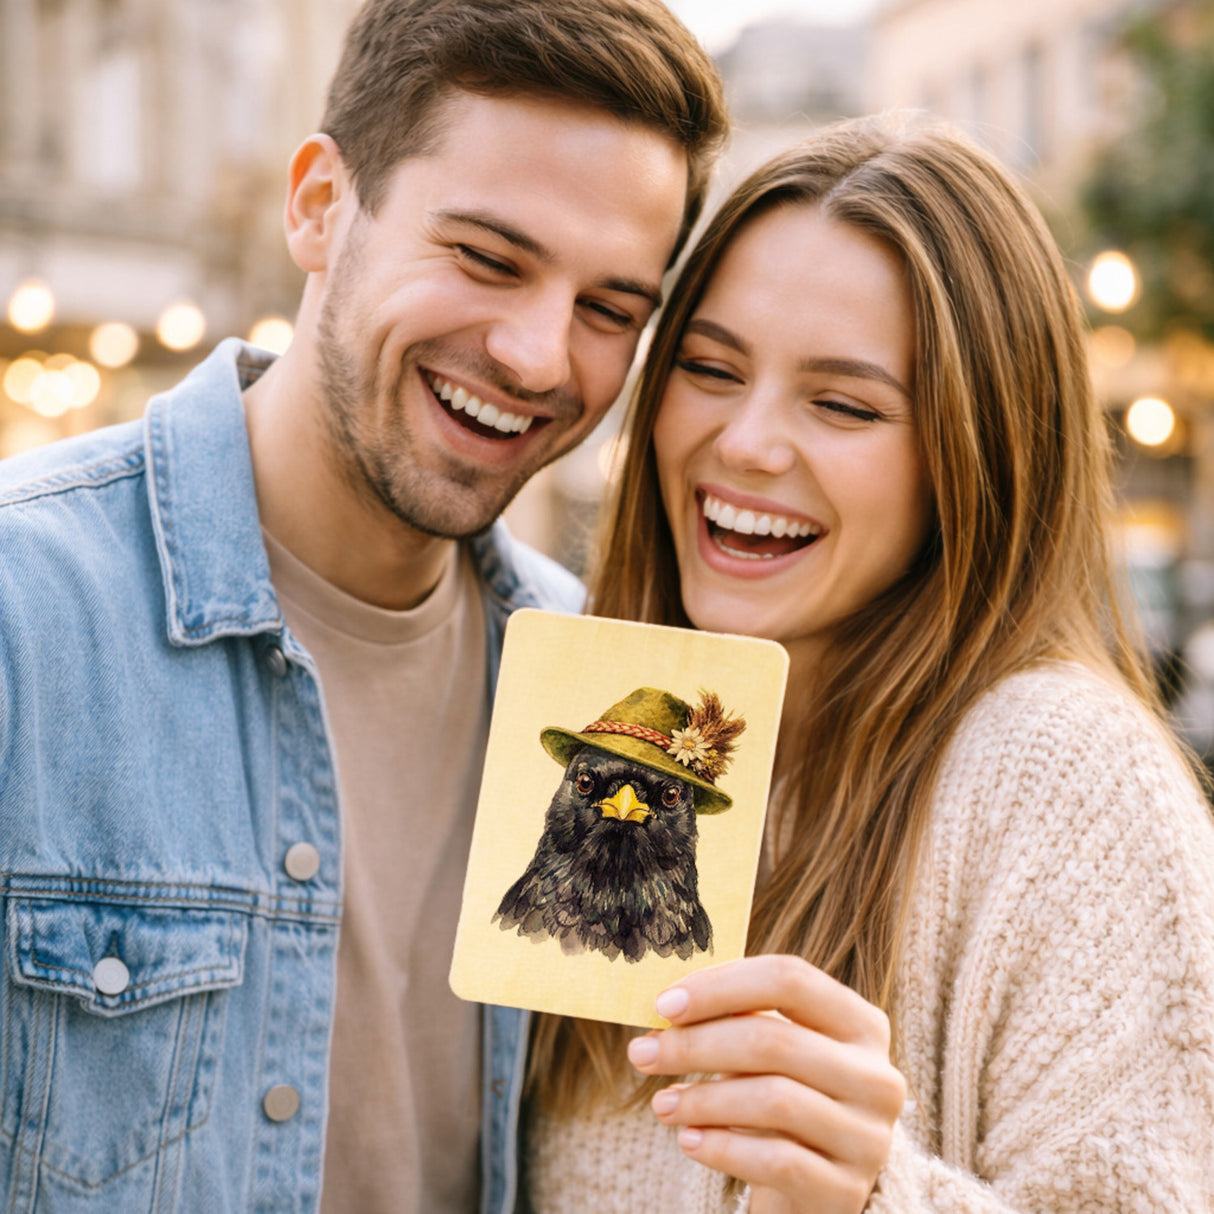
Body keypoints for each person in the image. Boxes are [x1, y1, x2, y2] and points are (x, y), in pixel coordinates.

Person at [0, 3, 727, 1212]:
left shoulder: (600, 687)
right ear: (319, 207)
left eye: (609, 308)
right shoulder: (26, 610)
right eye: (487, 257)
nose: (541, 355)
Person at [522, 114, 1214, 1212]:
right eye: (707, 367)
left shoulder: (1066, 780)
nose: (745, 440)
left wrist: (870, 1193)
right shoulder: (607, 717)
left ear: (972, 452)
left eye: (841, 403)